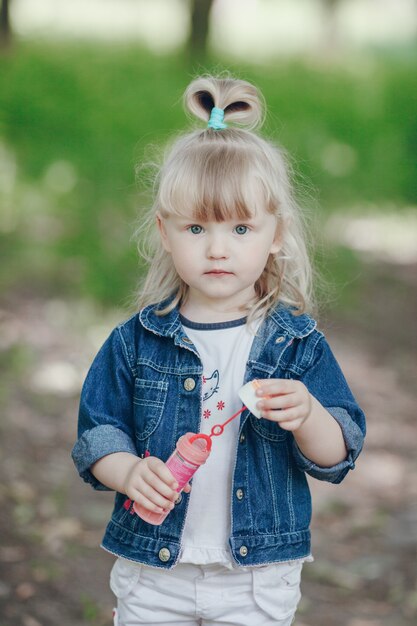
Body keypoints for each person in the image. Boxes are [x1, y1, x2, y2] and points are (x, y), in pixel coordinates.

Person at [72, 75, 366, 626]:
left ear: (275, 233)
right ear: (164, 231)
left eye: (240, 227)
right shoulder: (134, 342)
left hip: (256, 578)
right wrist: (128, 472)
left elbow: (337, 454)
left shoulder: (295, 345)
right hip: (156, 571)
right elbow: (97, 434)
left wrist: (308, 414)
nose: (216, 248)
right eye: (195, 227)